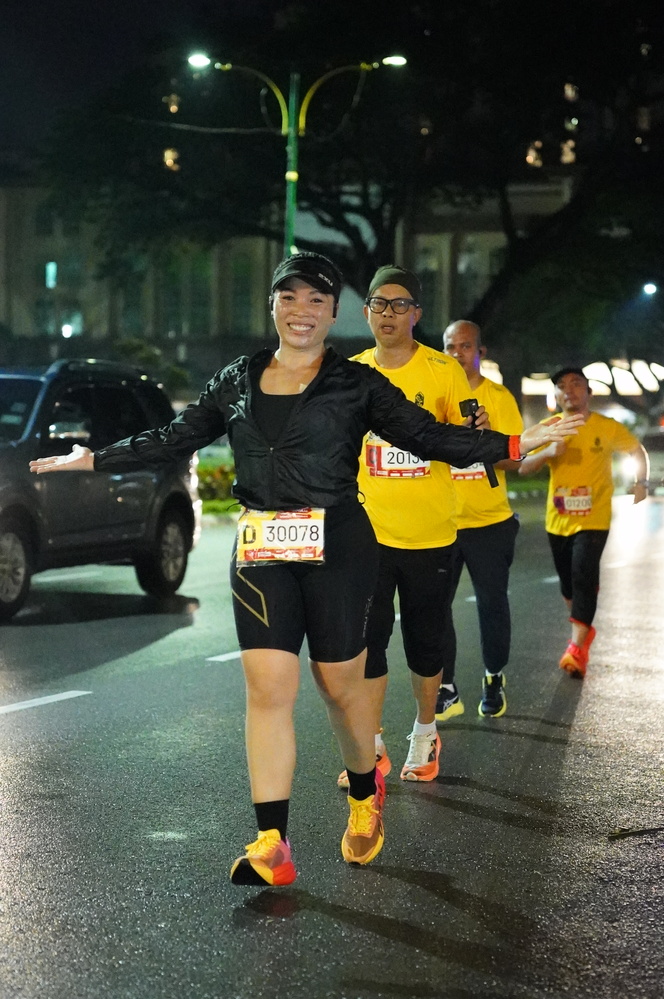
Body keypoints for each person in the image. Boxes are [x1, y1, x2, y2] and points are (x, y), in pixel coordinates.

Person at [30, 252, 582, 886]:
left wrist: (513, 444)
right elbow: (177, 435)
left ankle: (364, 790)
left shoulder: (355, 383)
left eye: (316, 300)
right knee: (267, 689)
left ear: (332, 312)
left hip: (339, 544)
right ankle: (272, 842)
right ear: (272, 305)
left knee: (339, 687)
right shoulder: (238, 379)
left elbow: (428, 435)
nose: (302, 311)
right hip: (262, 546)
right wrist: (94, 459)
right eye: (289, 297)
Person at [338, 265, 477, 786]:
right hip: (368, 536)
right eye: (379, 303)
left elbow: (464, 440)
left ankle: (424, 732)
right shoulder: (350, 373)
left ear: (416, 313)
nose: (388, 313)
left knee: (424, 644)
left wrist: (475, 432)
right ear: (366, 312)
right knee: (366, 643)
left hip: (430, 534)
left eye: (400, 304)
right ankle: (370, 746)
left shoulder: (443, 371)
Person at [519, 366, 649, 677]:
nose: (569, 390)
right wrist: (549, 451)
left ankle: (576, 647)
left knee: (583, 576)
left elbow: (636, 450)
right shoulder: (549, 427)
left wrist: (640, 483)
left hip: (594, 517)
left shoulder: (606, 426)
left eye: (576, 384)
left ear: (588, 392)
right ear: (556, 395)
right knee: (569, 585)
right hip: (558, 520)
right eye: (562, 386)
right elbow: (523, 467)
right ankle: (583, 629)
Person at [436, 320, 524, 720]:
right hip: (441, 523)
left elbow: (515, 459)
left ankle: (494, 676)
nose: (457, 353)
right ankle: (446, 686)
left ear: (480, 352)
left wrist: (487, 443)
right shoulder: (435, 398)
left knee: (492, 605)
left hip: (490, 523)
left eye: (465, 346)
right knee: (436, 608)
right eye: (450, 346)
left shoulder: (498, 397)